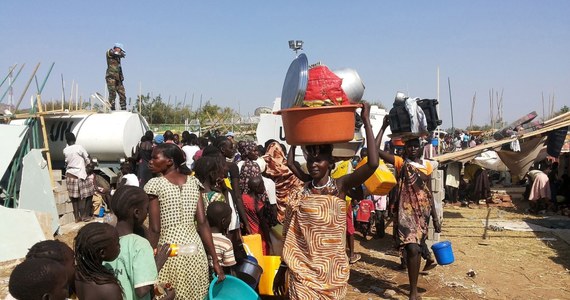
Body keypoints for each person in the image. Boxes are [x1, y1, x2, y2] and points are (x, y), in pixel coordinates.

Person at [273, 103, 378, 299]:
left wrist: (366, 121)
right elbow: (291, 235)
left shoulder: (340, 186)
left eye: (319, 160)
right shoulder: (304, 189)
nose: (313, 165)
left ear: (330, 163)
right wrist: (295, 137)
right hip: (302, 272)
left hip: (332, 272)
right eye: (310, 160)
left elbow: (372, 164)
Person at [144, 143, 224, 299]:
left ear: (169, 161)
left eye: (155, 157)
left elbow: (154, 229)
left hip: (168, 251)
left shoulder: (155, 185)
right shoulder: (194, 183)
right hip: (194, 250)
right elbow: (202, 223)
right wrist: (215, 260)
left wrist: (148, 261)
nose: (150, 161)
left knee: (167, 294)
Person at [374, 117, 441, 300]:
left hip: (423, 213)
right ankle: (413, 293)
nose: (412, 148)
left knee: (417, 249)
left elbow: (428, 194)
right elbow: (376, 151)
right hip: (406, 214)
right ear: (404, 148)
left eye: (415, 145)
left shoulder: (427, 166)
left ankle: (413, 287)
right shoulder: (400, 163)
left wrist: (435, 218)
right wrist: (383, 127)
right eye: (408, 146)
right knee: (411, 248)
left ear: (420, 146)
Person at [105, 185, 175, 300]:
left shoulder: (106, 240)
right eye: (146, 209)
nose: (147, 214)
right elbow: (142, 290)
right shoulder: (139, 244)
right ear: (137, 212)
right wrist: (157, 263)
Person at [74, 222, 122, 300]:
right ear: (102, 253)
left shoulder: (76, 274)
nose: (119, 246)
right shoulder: (109, 289)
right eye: (117, 243)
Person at [63, 132, 91, 223]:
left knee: (74, 197)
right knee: (89, 194)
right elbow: (87, 159)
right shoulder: (79, 147)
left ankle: (76, 217)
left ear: (67, 141)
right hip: (80, 174)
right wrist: (88, 165)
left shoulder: (65, 150)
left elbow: (66, 162)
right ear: (74, 139)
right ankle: (85, 215)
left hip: (70, 175)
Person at [242, 176, 272, 255]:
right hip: (259, 236)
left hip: (248, 234)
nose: (264, 187)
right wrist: (269, 242)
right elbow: (264, 225)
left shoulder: (243, 198)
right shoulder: (258, 204)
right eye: (262, 185)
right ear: (256, 188)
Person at [206, 201, 237, 274]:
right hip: (218, 280)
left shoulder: (201, 237)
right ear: (223, 221)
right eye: (230, 218)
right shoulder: (226, 243)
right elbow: (229, 268)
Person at [106, 43, 126, 110]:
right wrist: (120, 54)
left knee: (122, 93)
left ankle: (123, 107)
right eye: (121, 50)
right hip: (111, 77)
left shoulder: (118, 58)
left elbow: (119, 68)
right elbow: (114, 53)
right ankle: (112, 108)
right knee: (112, 93)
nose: (121, 51)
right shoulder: (109, 52)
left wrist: (121, 76)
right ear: (117, 48)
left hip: (118, 78)